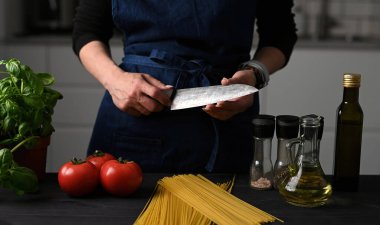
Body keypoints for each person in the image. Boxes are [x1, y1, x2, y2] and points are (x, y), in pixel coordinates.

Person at [72, 0, 297, 173]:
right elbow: (87, 30)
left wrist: (254, 75)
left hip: (228, 115)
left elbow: (280, 35)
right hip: (135, 114)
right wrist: (114, 80)